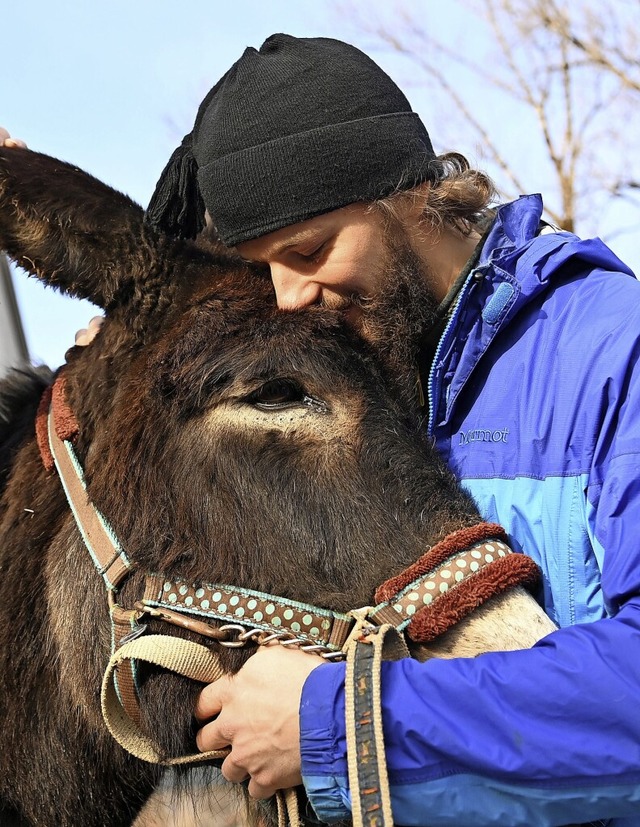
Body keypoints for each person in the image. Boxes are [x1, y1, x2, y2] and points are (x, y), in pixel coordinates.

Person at [6, 33, 640, 826]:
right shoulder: (378, 353)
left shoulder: (612, 346)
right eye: (266, 267)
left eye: (308, 250)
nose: (291, 294)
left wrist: (335, 725)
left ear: (407, 194)